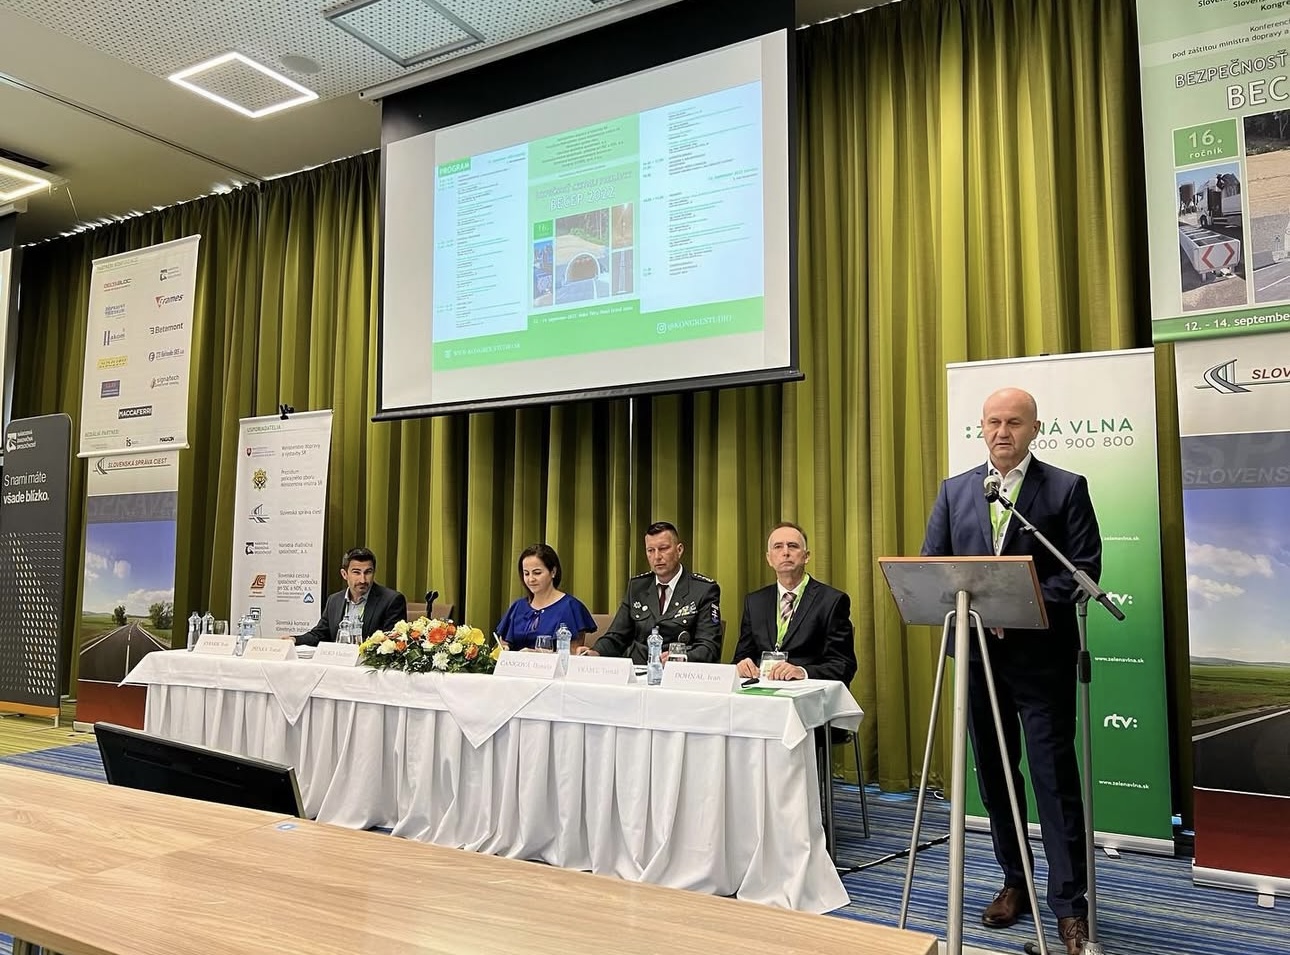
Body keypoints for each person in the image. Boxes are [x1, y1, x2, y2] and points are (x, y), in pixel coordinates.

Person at [921, 387, 1101, 955]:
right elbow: (933, 566)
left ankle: (1071, 909)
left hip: (1041, 660)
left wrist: (1013, 606)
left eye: (1015, 423)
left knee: (1054, 781)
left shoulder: (1065, 488)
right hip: (977, 659)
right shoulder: (955, 491)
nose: (1003, 432)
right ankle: (1014, 881)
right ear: (981, 428)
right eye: (994, 422)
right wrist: (979, 608)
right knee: (996, 779)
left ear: (1035, 429)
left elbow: (1081, 571)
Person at [578, 521, 721, 663]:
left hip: (679, 672)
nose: (657, 557)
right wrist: (594, 652)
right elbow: (617, 636)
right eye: (650, 550)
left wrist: (681, 658)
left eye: (663, 548)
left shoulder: (703, 590)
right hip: (638, 669)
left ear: (679, 550)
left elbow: (709, 646)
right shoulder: (637, 587)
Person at [733, 522, 856, 683]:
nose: (785, 552)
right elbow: (741, 656)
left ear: (806, 556)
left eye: (792, 546)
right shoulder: (754, 602)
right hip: (761, 690)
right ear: (769, 559)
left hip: (807, 692)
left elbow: (843, 665)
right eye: (778, 547)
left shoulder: (832, 601)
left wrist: (802, 672)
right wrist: (743, 665)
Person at [292, 546, 408, 647]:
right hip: (340, 660)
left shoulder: (391, 600)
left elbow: (391, 642)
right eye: (356, 572)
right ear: (344, 574)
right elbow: (320, 634)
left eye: (368, 572)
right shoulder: (334, 600)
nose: (363, 579)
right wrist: (294, 640)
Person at [494, 543, 596, 651]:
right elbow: (502, 645)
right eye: (526, 574)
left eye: (537, 573)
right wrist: (504, 649)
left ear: (553, 572)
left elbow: (572, 654)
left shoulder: (571, 607)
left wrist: (535, 656)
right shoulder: (518, 606)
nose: (531, 579)